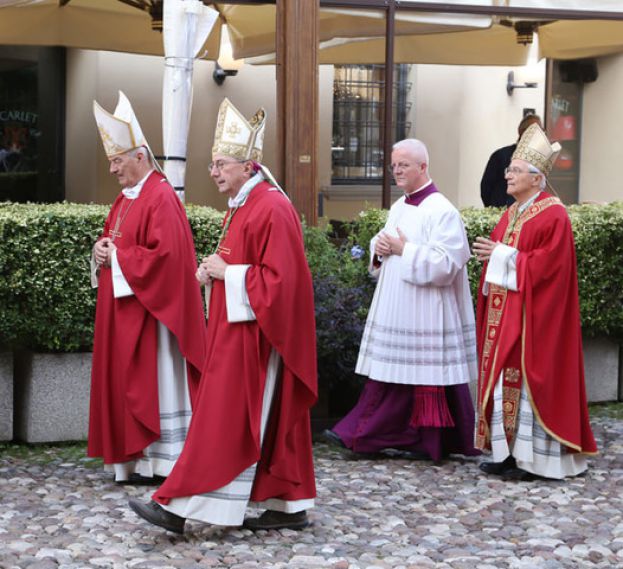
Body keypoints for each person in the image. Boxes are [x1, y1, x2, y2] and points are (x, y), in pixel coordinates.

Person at [128, 98, 318, 534]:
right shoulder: (243, 204)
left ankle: (182, 508)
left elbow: (283, 283)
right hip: (237, 333)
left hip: (257, 340)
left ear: (248, 165)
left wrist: (228, 274)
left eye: (221, 164)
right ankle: (288, 506)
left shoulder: (271, 207)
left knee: (224, 422)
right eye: (212, 165)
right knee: (243, 421)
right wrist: (214, 273)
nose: (213, 172)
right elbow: (244, 264)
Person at [324, 138, 479, 462]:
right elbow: (386, 245)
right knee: (394, 375)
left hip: (427, 311)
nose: (397, 171)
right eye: (393, 165)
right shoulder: (399, 206)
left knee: (418, 377)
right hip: (398, 308)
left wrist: (402, 250)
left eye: (403, 165)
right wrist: (378, 251)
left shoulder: (442, 211)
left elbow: (447, 265)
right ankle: (384, 437)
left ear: (423, 167)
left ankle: (374, 435)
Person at [88, 91, 206, 484]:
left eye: (117, 161)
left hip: (154, 320)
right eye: (110, 162)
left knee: (154, 384)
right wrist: (101, 250)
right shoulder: (124, 200)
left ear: (140, 156)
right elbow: (116, 242)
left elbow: (167, 259)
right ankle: (133, 460)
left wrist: (118, 254)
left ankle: (161, 459)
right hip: (125, 313)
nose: (112, 171)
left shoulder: (161, 197)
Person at [472, 123, 597, 480]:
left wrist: (502, 256)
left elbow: (550, 269)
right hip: (507, 317)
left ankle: (536, 460)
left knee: (528, 386)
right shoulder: (511, 212)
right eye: (508, 169)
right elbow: (503, 258)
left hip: (534, 322)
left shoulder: (553, 213)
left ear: (537, 179)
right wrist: (496, 257)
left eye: (514, 170)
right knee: (502, 384)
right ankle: (508, 454)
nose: (506, 175)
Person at [480, 114, 542, 207]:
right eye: (535, 130)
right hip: (503, 211)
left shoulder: (538, 159)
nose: (539, 134)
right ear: (521, 132)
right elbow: (486, 187)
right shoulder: (501, 156)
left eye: (541, 131)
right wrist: (495, 209)